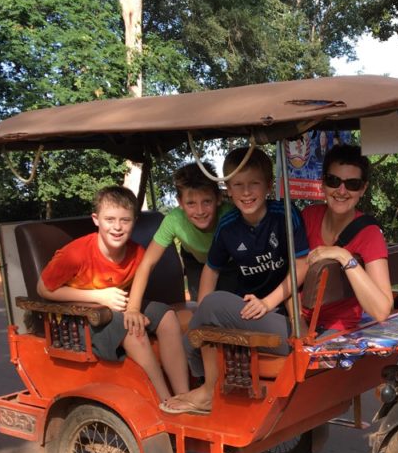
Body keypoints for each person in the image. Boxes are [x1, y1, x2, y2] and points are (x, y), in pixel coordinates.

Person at [161, 146, 309, 414]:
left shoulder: (284, 214)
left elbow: (301, 264)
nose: (246, 192)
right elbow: (211, 268)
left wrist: (267, 302)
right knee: (202, 317)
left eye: (254, 184)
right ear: (228, 189)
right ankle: (206, 383)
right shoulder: (229, 224)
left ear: (268, 186)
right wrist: (202, 313)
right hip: (250, 313)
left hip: (283, 318)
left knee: (213, 305)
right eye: (238, 185)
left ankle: (207, 393)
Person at [37, 186, 189, 404]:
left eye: (125, 220)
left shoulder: (137, 254)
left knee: (167, 317)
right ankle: (165, 400)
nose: (117, 227)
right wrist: (98, 296)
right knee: (132, 327)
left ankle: (183, 396)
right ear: (96, 219)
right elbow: (43, 289)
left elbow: (134, 292)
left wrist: (133, 309)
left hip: (115, 307)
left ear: (134, 221)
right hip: (78, 318)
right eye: (110, 219)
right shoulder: (75, 254)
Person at [124, 162, 233, 335]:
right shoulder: (174, 220)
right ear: (180, 202)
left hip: (230, 262)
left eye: (206, 202)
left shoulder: (230, 215)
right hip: (196, 261)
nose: (200, 211)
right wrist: (133, 308)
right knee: (204, 310)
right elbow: (147, 263)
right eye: (191, 203)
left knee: (232, 306)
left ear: (218, 198)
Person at [302, 144, 393, 332]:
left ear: (363, 189)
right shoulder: (308, 217)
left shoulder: (369, 234)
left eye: (352, 184)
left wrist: (343, 256)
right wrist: (298, 325)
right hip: (298, 322)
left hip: (335, 329)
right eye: (334, 181)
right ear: (323, 183)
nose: (341, 191)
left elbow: (382, 310)